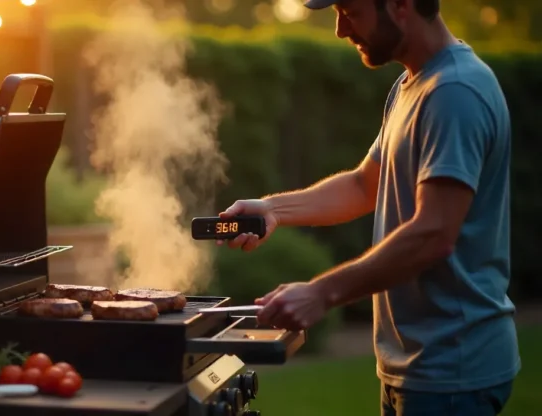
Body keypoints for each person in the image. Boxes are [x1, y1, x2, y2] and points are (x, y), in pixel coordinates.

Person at [217, 0, 520, 415]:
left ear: (399, 5)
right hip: (415, 368)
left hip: (452, 371)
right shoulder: (412, 85)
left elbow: (434, 235)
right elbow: (364, 186)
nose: (341, 29)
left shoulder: (455, 93)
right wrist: (273, 208)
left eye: (351, 11)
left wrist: (321, 294)